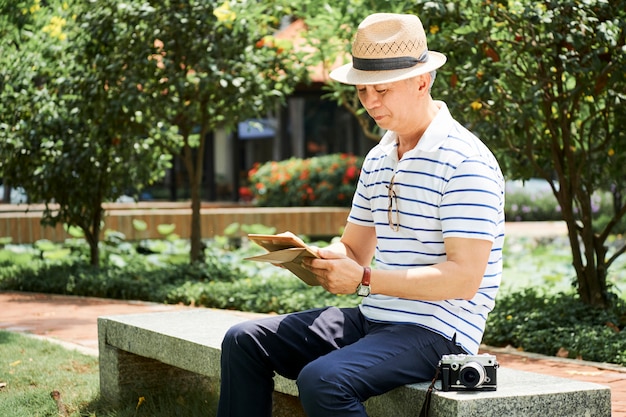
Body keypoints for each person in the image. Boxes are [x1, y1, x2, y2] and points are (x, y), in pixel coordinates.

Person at [217, 12, 505, 417]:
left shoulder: (465, 162)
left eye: (381, 90)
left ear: (422, 81)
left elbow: (464, 279)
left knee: (323, 380)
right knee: (244, 339)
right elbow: (354, 247)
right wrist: (328, 257)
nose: (370, 101)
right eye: (363, 90)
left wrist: (365, 279)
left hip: (439, 331)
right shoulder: (380, 156)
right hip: (376, 318)